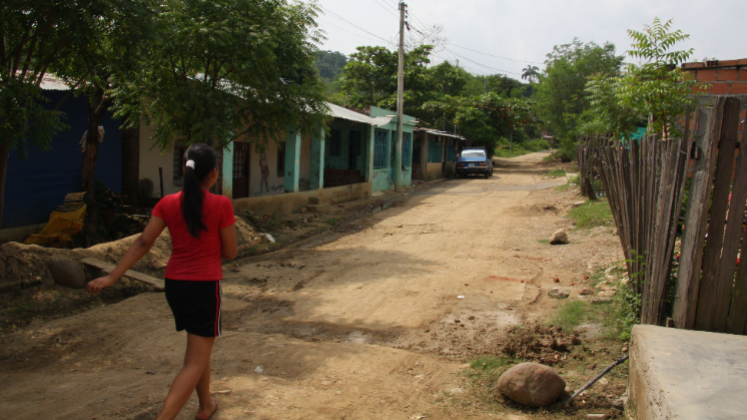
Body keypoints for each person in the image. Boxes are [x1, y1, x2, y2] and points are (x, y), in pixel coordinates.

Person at [88, 143, 238, 420]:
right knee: (195, 359)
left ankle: (206, 406)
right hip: (204, 287)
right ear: (214, 174)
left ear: (185, 169)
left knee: (198, 348)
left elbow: (144, 241)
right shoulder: (221, 204)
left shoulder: (167, 203)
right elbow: (230, 252)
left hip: (175, 286)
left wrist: (112, 276)